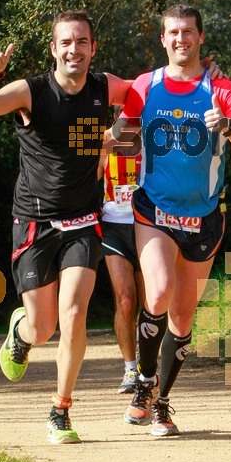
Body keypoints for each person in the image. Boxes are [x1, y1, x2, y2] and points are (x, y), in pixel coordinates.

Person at [0, 10, 134, 445]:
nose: (75, 50)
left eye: (83, 42)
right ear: (54, 49)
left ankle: (61, 411)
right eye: (66, 43)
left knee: (74, 313)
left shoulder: (104, 87)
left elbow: (146, 94)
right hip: (35, 223)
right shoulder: (30, 91)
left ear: (93, 47)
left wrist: (113, 135)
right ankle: (21, 334)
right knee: (44, 327)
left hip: (83, 221)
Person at [104, 3, 231, 437]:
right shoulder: (144, 86)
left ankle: (162, 404)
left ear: (200, 38)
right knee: (156, 293)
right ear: (162, 39)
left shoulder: (222, 89)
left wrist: (229, 127)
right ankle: (144, 384)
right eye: (172, 32)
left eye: (187, 32)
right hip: (154, 209)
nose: (180, 39)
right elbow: (121, 138)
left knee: (183, 319)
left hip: (205, 217)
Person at [98, 136, 145, 394]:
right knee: (125, 299)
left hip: (147, 226)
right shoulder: (105, 141)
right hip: (114, 227)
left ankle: (146, 362)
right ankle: (130, 367)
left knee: (149, 304)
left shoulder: (153, 138)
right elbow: (86, 176)